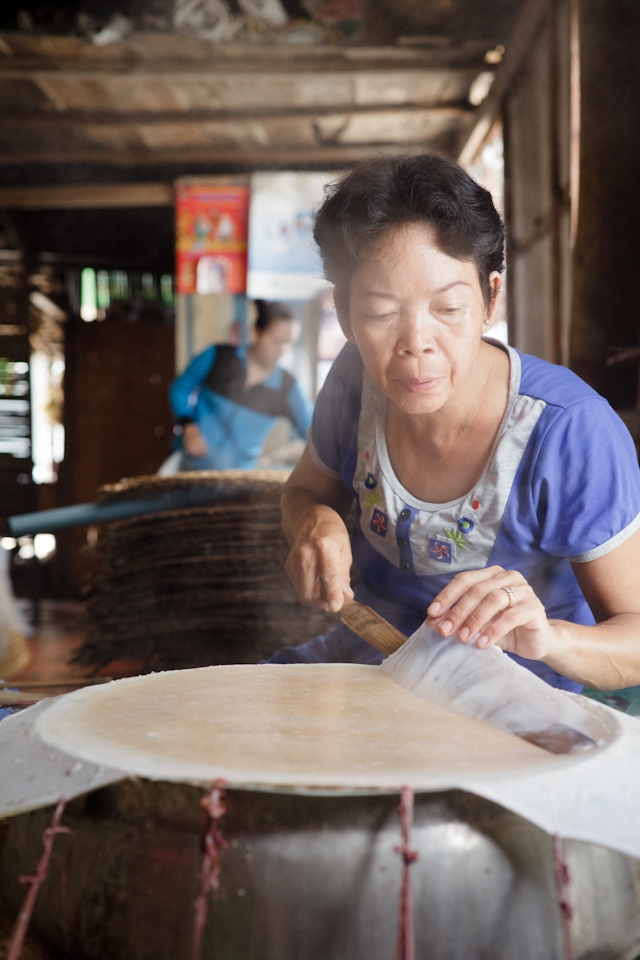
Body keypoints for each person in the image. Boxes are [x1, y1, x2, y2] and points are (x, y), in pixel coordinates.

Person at [269, 154, 640, 693]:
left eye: (448, 308)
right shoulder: (354, 380)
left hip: (509, 700)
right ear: (344, 313)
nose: (416, 343)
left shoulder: (569, 432)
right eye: (380, 313)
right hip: (363, 668)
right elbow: (303, 491)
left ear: (491, 298)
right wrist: (312, 520)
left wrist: (549, 639)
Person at [169, 300, 312, 471]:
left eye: (290, 343)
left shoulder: (287, 388)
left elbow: (313, 431)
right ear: (256, 333)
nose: (283, 350)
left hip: (238, 477)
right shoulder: (218, 357)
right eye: (277, 341)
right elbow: (180, 388)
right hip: (188, 465)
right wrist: (188, 425)